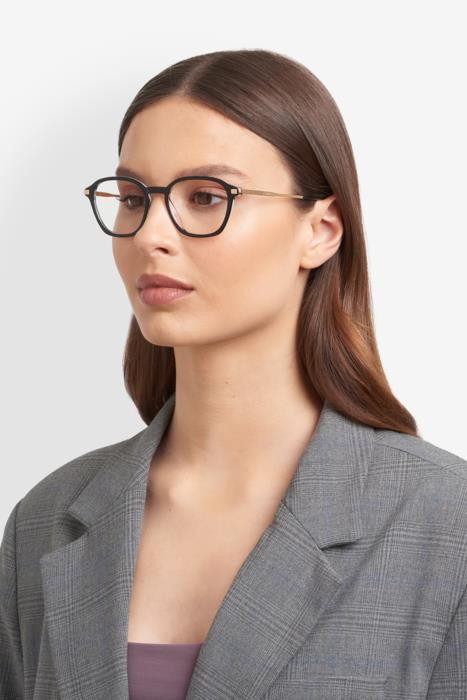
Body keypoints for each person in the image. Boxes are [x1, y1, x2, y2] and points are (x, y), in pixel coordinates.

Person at [1, 48, 466, 700]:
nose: (150, 235)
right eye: (132, 198)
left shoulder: (443, 521)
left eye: (206, 197)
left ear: (320, 230)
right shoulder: (46, 521)